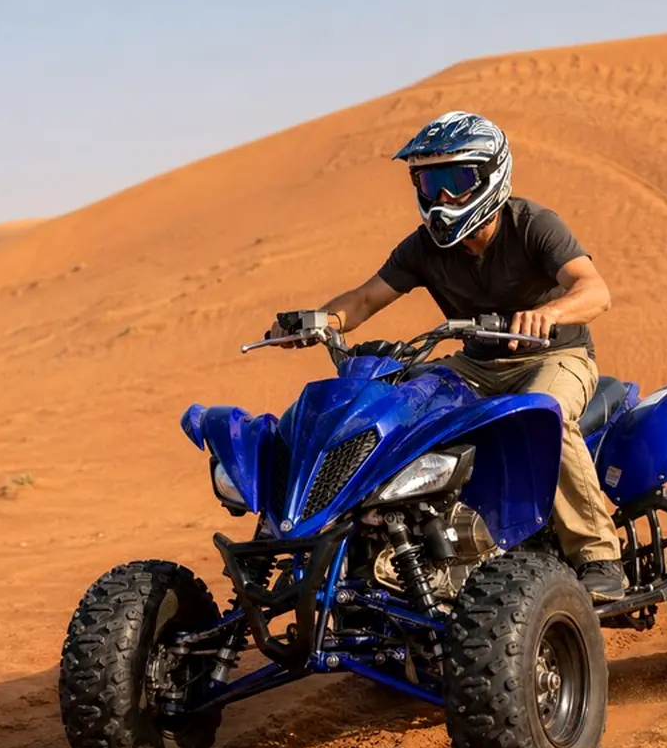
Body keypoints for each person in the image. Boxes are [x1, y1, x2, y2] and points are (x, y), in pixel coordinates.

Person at [268, 110, 628, 601]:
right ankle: (397, 546)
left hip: (553, 357)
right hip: (475, 365)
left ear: (490, 176)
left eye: (455, 181)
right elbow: (366, 299)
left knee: (547, 416)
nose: (441, 198)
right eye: (428, 182)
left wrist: (550, 313)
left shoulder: (532, 225)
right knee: (397, 406)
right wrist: (319, 320)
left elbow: (594, 290)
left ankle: (598, 554)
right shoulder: (423, 248)